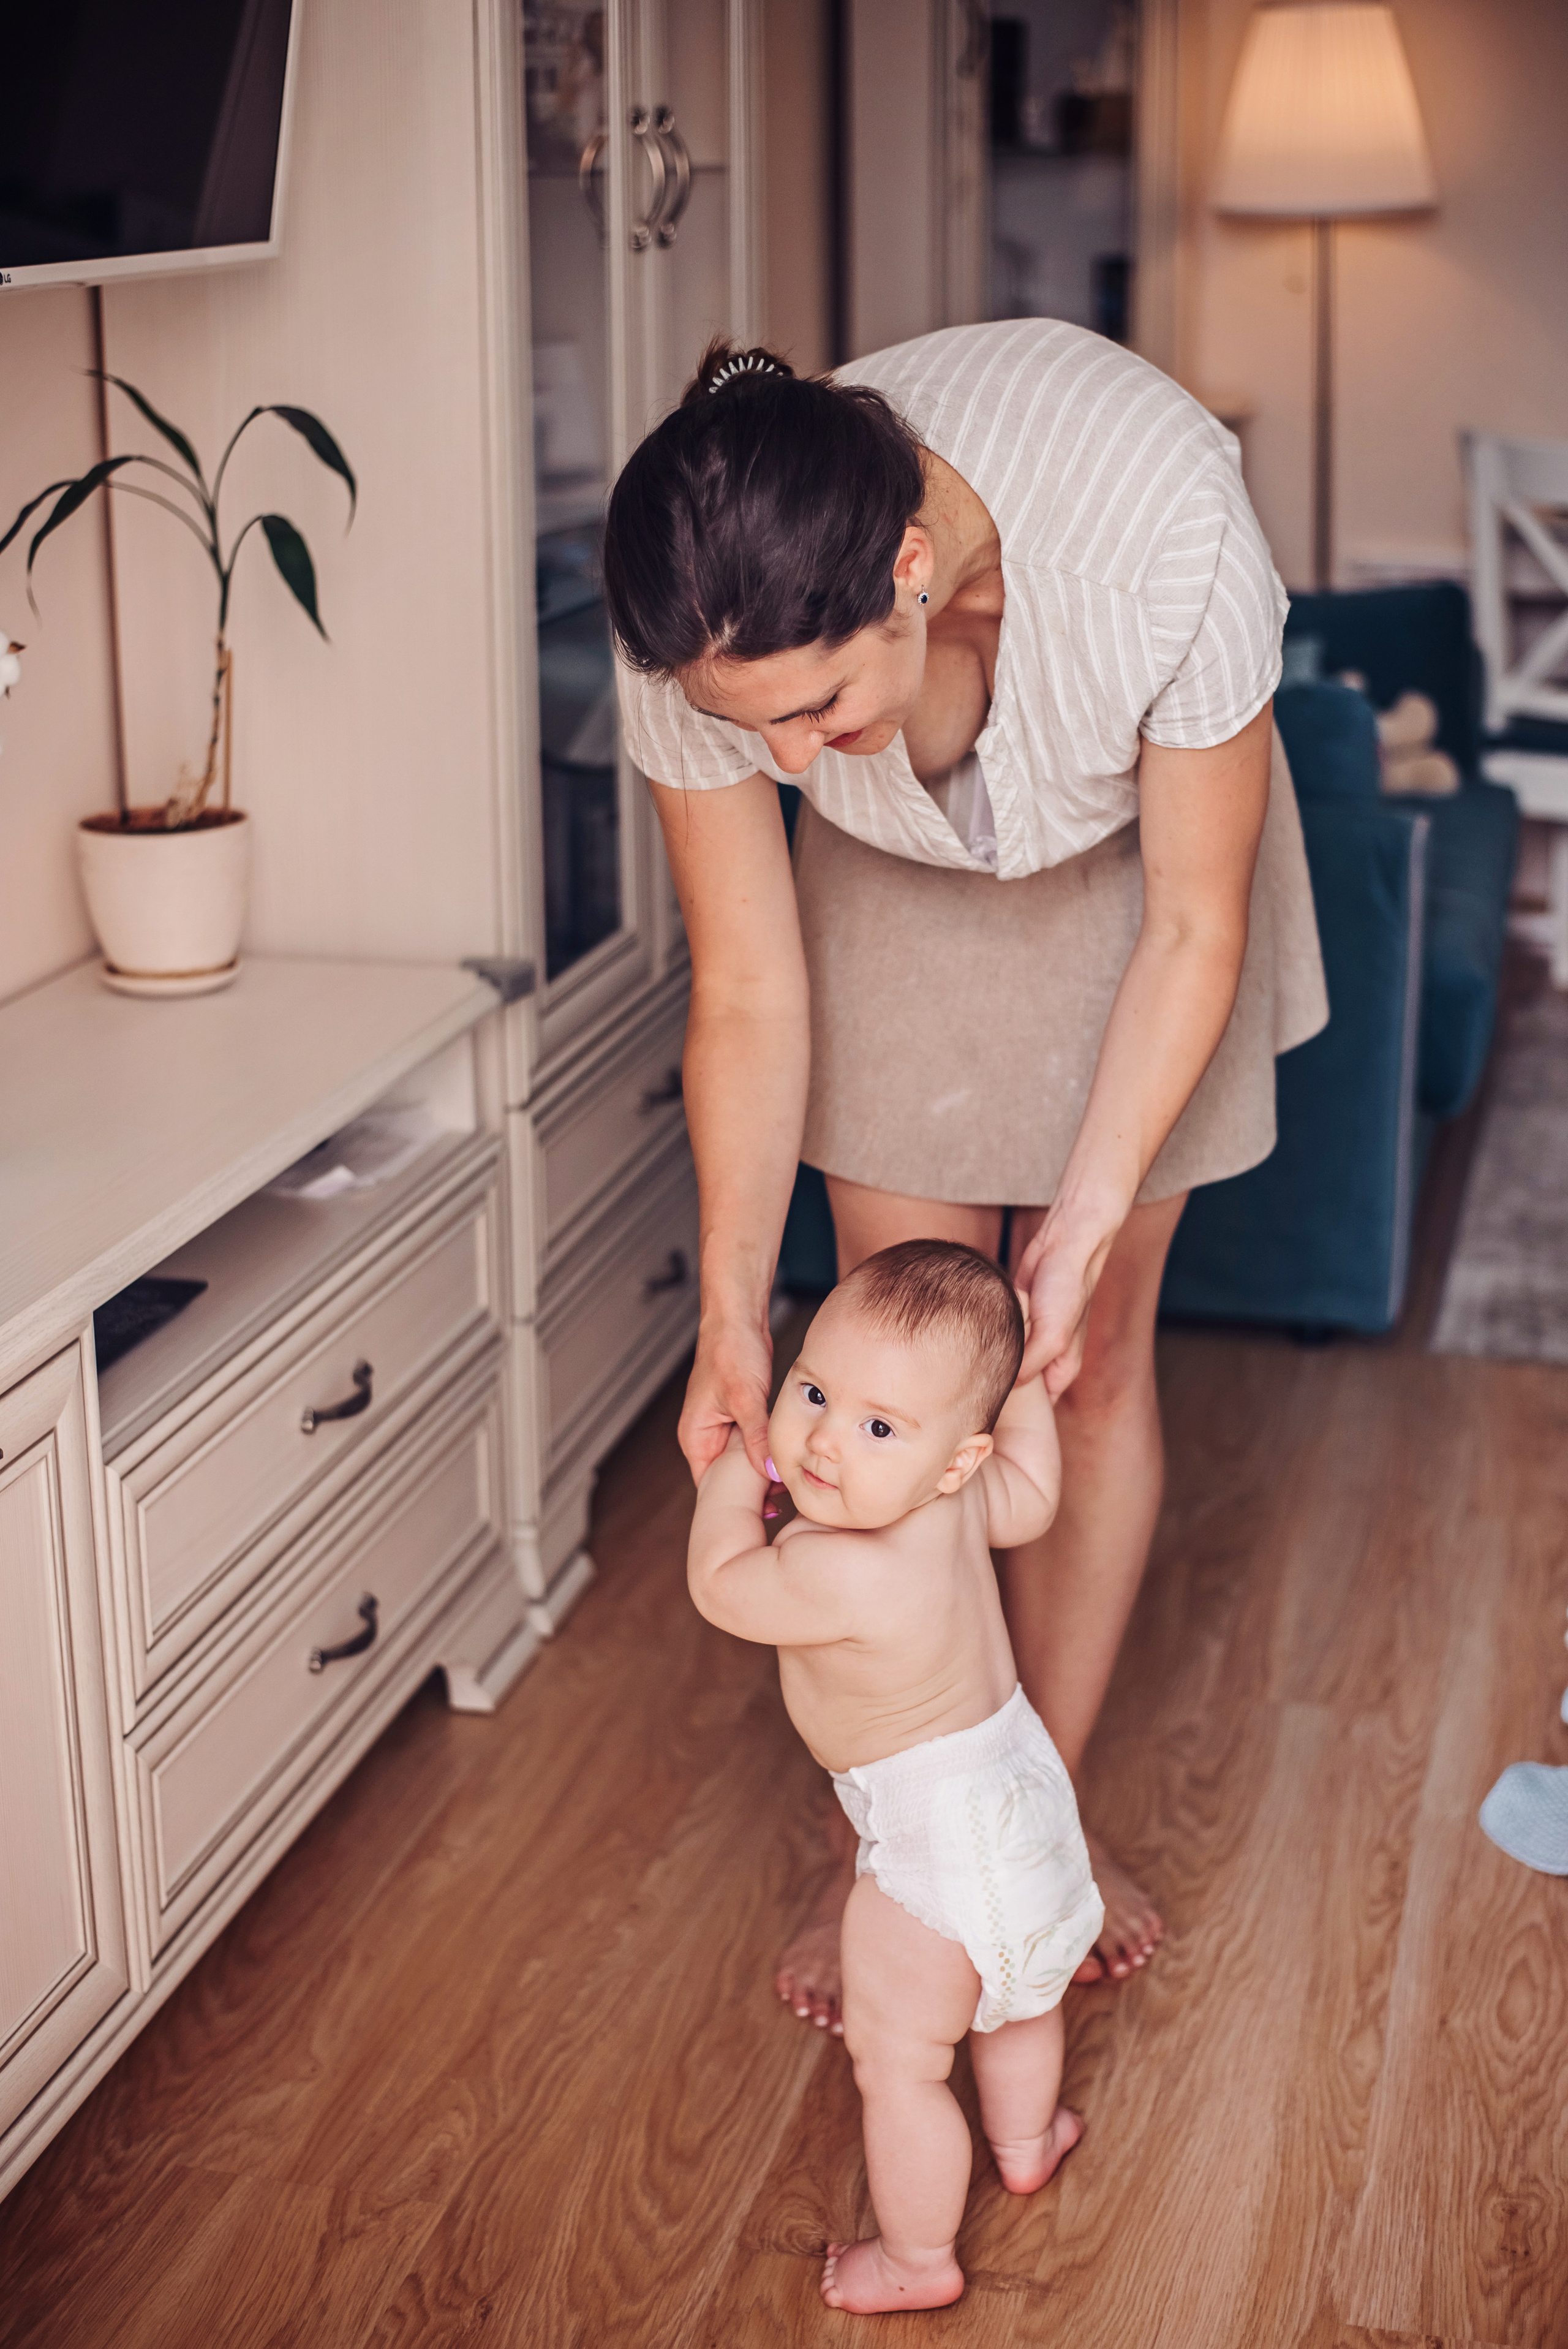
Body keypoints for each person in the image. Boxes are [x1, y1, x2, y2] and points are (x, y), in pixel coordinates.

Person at [605, 318, 1327, 2021]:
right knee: (898, 1395)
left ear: (913, 568)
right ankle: (911, 1866)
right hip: (901, 870)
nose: (774, 757)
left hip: (1154, 874)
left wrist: (1075, 1227)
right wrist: (730, 1312)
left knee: (1079, 1379)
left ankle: (1035, 1828)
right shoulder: (707, 632)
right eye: (744, 728)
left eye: (812, 707)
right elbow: (753, 983)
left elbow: (1196, 923)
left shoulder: (1168, 519)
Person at [690, 1241, 1098, 2314]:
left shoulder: (838, 1565)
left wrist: (744, 1462)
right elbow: (1038, 1495)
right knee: (1018, 1998)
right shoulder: (961, 1498)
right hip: (1026, 1799)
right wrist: (1023, 1393)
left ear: (949, 1457)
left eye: (878, 1426)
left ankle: (919, 2258)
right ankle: (1024, 2141)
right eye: (812, 1390)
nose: (823, 1439)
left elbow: (724, 1582)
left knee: (904, 2065)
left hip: (931, 1849)